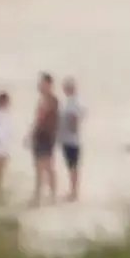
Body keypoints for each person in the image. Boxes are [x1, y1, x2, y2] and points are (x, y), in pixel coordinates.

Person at [28, 72, 60, 206]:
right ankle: (42, 195)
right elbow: (38, 119)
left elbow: (43, 119)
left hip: (46, 137)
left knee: (46, 167)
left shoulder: (51, 100)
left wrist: (34, 132)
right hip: (41, 136)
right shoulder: (43, 100)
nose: (40, 86)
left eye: (42, 83)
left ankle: (45, 196)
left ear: (48, 84)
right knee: (41, 167)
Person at [58, 77, 86, 202]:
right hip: (68, 138)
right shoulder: (71, 101)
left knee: (73, 166)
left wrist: (71, 127)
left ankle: (74, 192)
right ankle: (73, 191)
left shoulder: (74, 102)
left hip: (72, 139)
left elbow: (75, 118)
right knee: (71, 166)